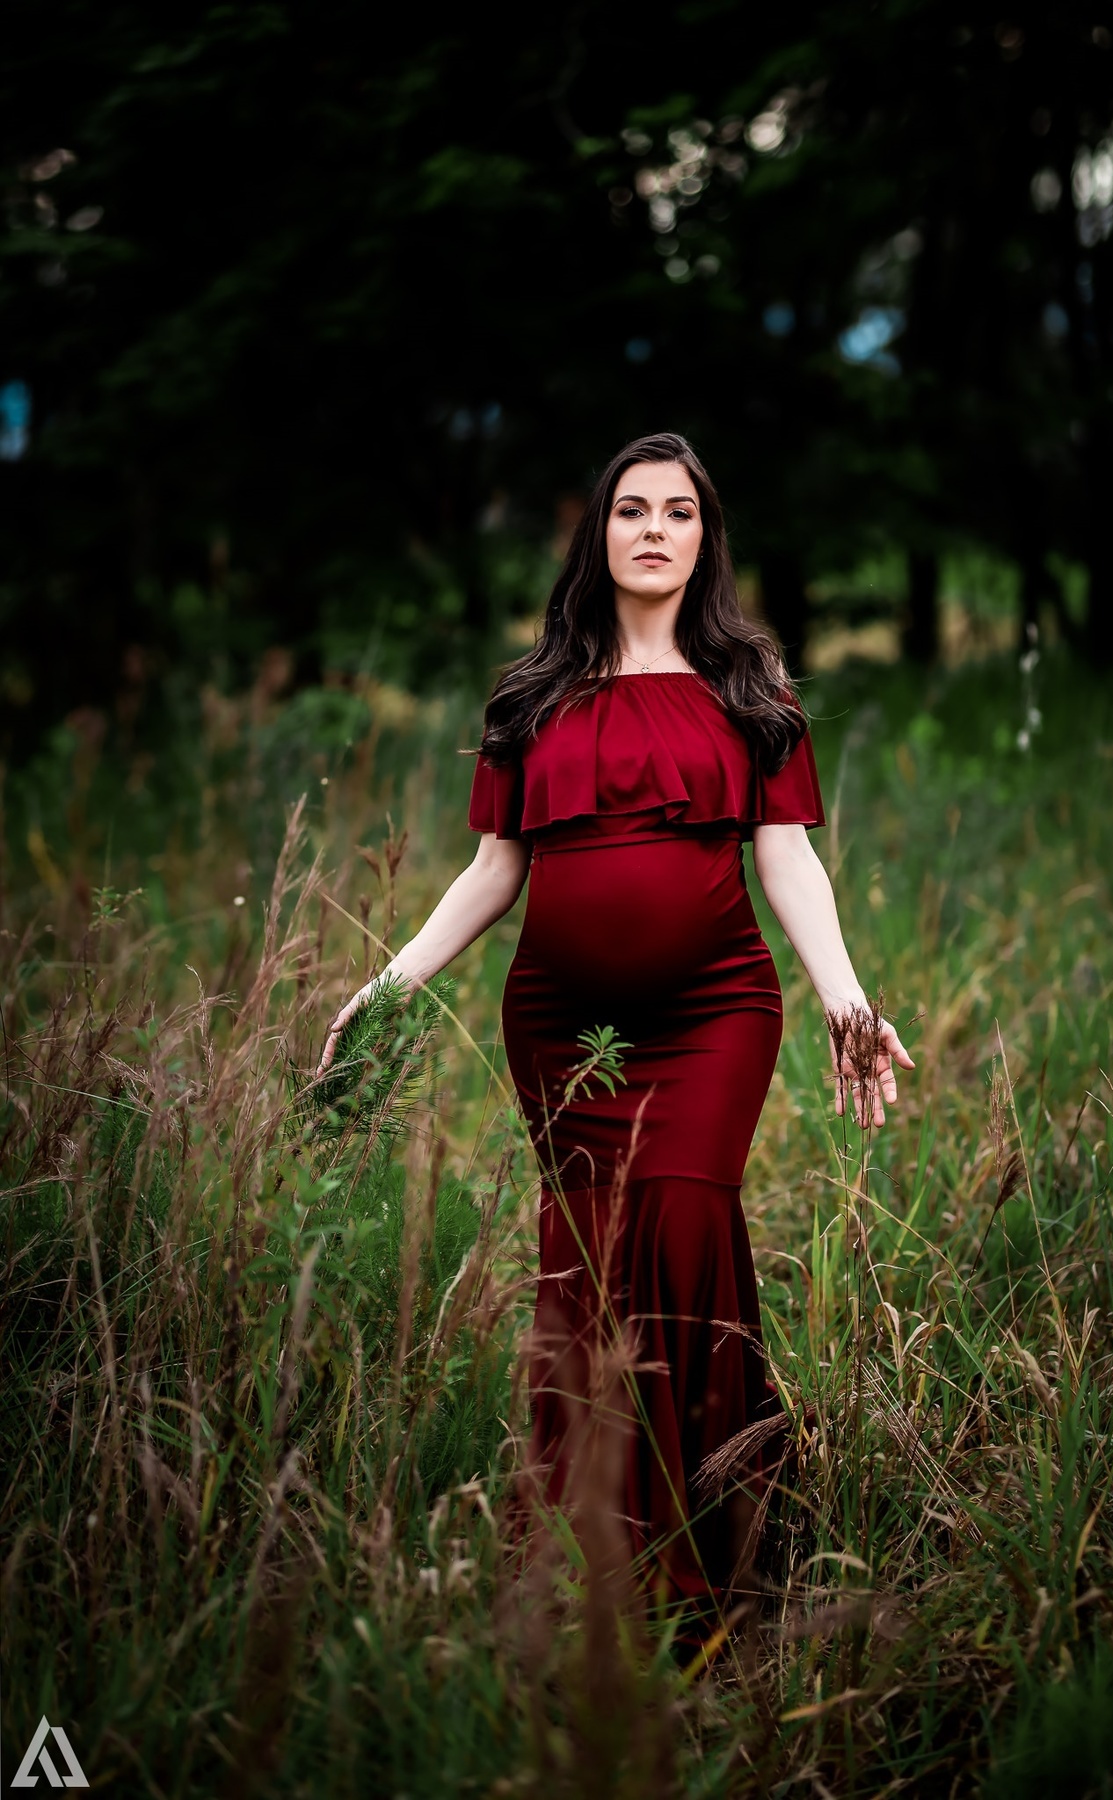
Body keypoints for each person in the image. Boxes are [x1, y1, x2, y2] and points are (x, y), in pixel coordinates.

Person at [318, 431, 914, 1634]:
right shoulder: (530, 695)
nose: (655, 529)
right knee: (588, 1265)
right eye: (632, 509)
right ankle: (592, 1543)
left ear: (706, 537)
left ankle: (719, 1540)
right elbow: (493, 872)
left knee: (686, 1225)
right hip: (559, 1029)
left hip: (715, 1014)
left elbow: (789, 858)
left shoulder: (754, 690)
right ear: (599, 533)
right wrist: (386, 986)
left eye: (679, 512)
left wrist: (848, 995)